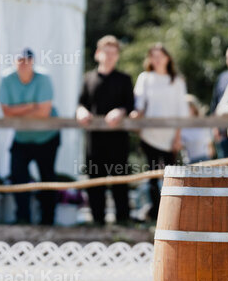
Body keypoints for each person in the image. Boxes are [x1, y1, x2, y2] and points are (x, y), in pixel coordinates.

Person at [77, 35, 135, 225]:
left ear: (117, 56)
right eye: (106, 52)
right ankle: (97, 220)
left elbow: (130, 105)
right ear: (97, 54)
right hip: (94, 140)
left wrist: (120, 111)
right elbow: (81, 103)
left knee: (120, 179)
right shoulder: (88, 79)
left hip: (118, 139)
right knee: (95, 180)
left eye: (113, 53)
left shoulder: (124, 79)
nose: (109, 57)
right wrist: (81, 111)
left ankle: (123, 219)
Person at [0, 48, 60, 225]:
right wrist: (32, 106)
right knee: (18, 177)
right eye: (20, 60)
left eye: (27, 61)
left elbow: (44, 112)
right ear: (14, 62)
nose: (23, 64)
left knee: (47, 179)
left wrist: (18, 110)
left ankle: (48, 220)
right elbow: (6, 112)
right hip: (22, 138)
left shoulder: (43, 78)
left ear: (33, 62)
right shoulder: (7, 78)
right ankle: (23, 218)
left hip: (47, 136)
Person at [131, 43, 189, 220]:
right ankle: (158, 214)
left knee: (171, 175)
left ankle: (173, 213)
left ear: (167, 58)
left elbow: (181, 111)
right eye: (153, 56)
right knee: (153, 174)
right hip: (150, 135)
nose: (156, 60)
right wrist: (136, 117)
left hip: (171, 136)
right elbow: (139, 103)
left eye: (160, 56)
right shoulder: (145, 78)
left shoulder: (177, 81)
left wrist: (178, 137)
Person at [180, 95, 214, 164]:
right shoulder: (181, 128)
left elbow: (210, 146)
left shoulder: (202, 124)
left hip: (204, 160)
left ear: (193, 108)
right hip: (189, 162)